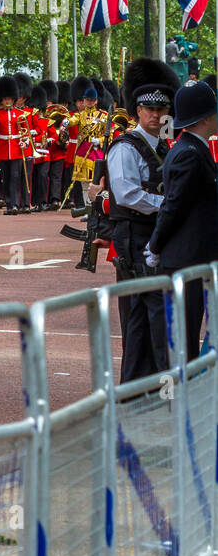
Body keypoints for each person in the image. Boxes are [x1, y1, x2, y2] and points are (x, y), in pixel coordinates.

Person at [106, 58, 177, 383]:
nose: (155, 115)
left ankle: (149, 387)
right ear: (136, 110)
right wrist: (168, 205)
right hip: (135, 238)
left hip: (154, 236)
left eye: (161, 109)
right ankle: (134, 390)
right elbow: (127, 195)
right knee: (139, 318)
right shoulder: (125, 147)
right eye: (148, 109)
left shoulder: (163, 146)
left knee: (158, 317)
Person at [147, 81, 217, 364]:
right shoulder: (190, 152)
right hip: (185, 257)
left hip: (194, 256)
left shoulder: (193, 148)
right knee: (183, 339)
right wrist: (155, 245)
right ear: (205, 118)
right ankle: (178, 398)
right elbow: (173, 206)